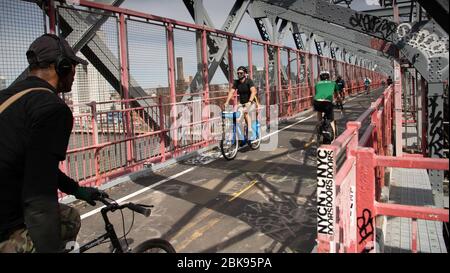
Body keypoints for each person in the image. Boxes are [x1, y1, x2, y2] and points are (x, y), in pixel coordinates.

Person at [0, 34, 107, 253]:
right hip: (5, 227)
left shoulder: (6, 97)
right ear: (63, 66)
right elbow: (39, 197)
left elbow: (34, 165)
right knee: (70, 218)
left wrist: (76, 189)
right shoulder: (52, 109)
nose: (75, 73)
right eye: (73, 66)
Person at [224, 66, 258, 140]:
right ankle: (239, 135)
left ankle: (249, 130)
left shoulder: (249, 81)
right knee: (237, 117)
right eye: (238, 73)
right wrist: (227, 101)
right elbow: (231, 92)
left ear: (245, 73)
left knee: (246, 112)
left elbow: (254, 91)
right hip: (242, 104)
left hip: (251, 103)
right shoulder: (236, 82)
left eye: (241, 73)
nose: (239, 74)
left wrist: (249, 101)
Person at [312, 71, 340, 141]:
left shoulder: (317, 83)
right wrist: (339, 101)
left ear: (320, 77)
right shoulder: (333, 83)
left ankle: (319, 125)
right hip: (327, 103)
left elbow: (316, 94)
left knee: (319, 111)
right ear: (328, 77)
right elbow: (338, 95)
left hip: (317, 102)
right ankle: (334, 137)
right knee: (331, 119)